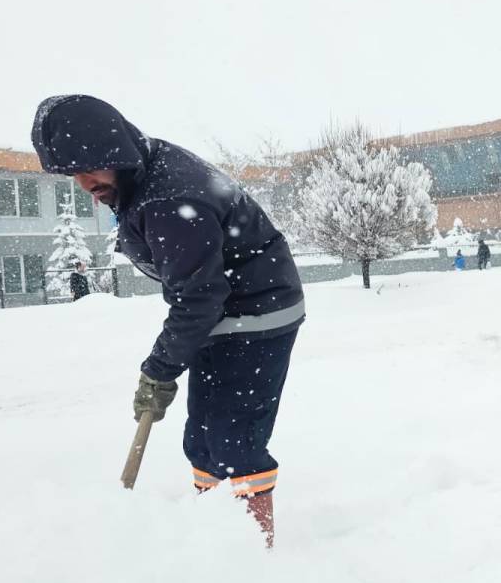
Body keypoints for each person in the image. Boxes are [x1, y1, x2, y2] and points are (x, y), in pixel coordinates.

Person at [31, 95, 304, 548]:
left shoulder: (167, 197)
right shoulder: (143, 169)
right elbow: (197, 295)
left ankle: (255, 556)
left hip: (257, 313)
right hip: (222, 314)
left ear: (112, 150)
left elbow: (199, 297)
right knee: (202, 441)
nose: (84, 183)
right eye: (72, 173)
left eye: (89, 167)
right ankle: (215, 538)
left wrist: (159, 370)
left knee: (234, 444)